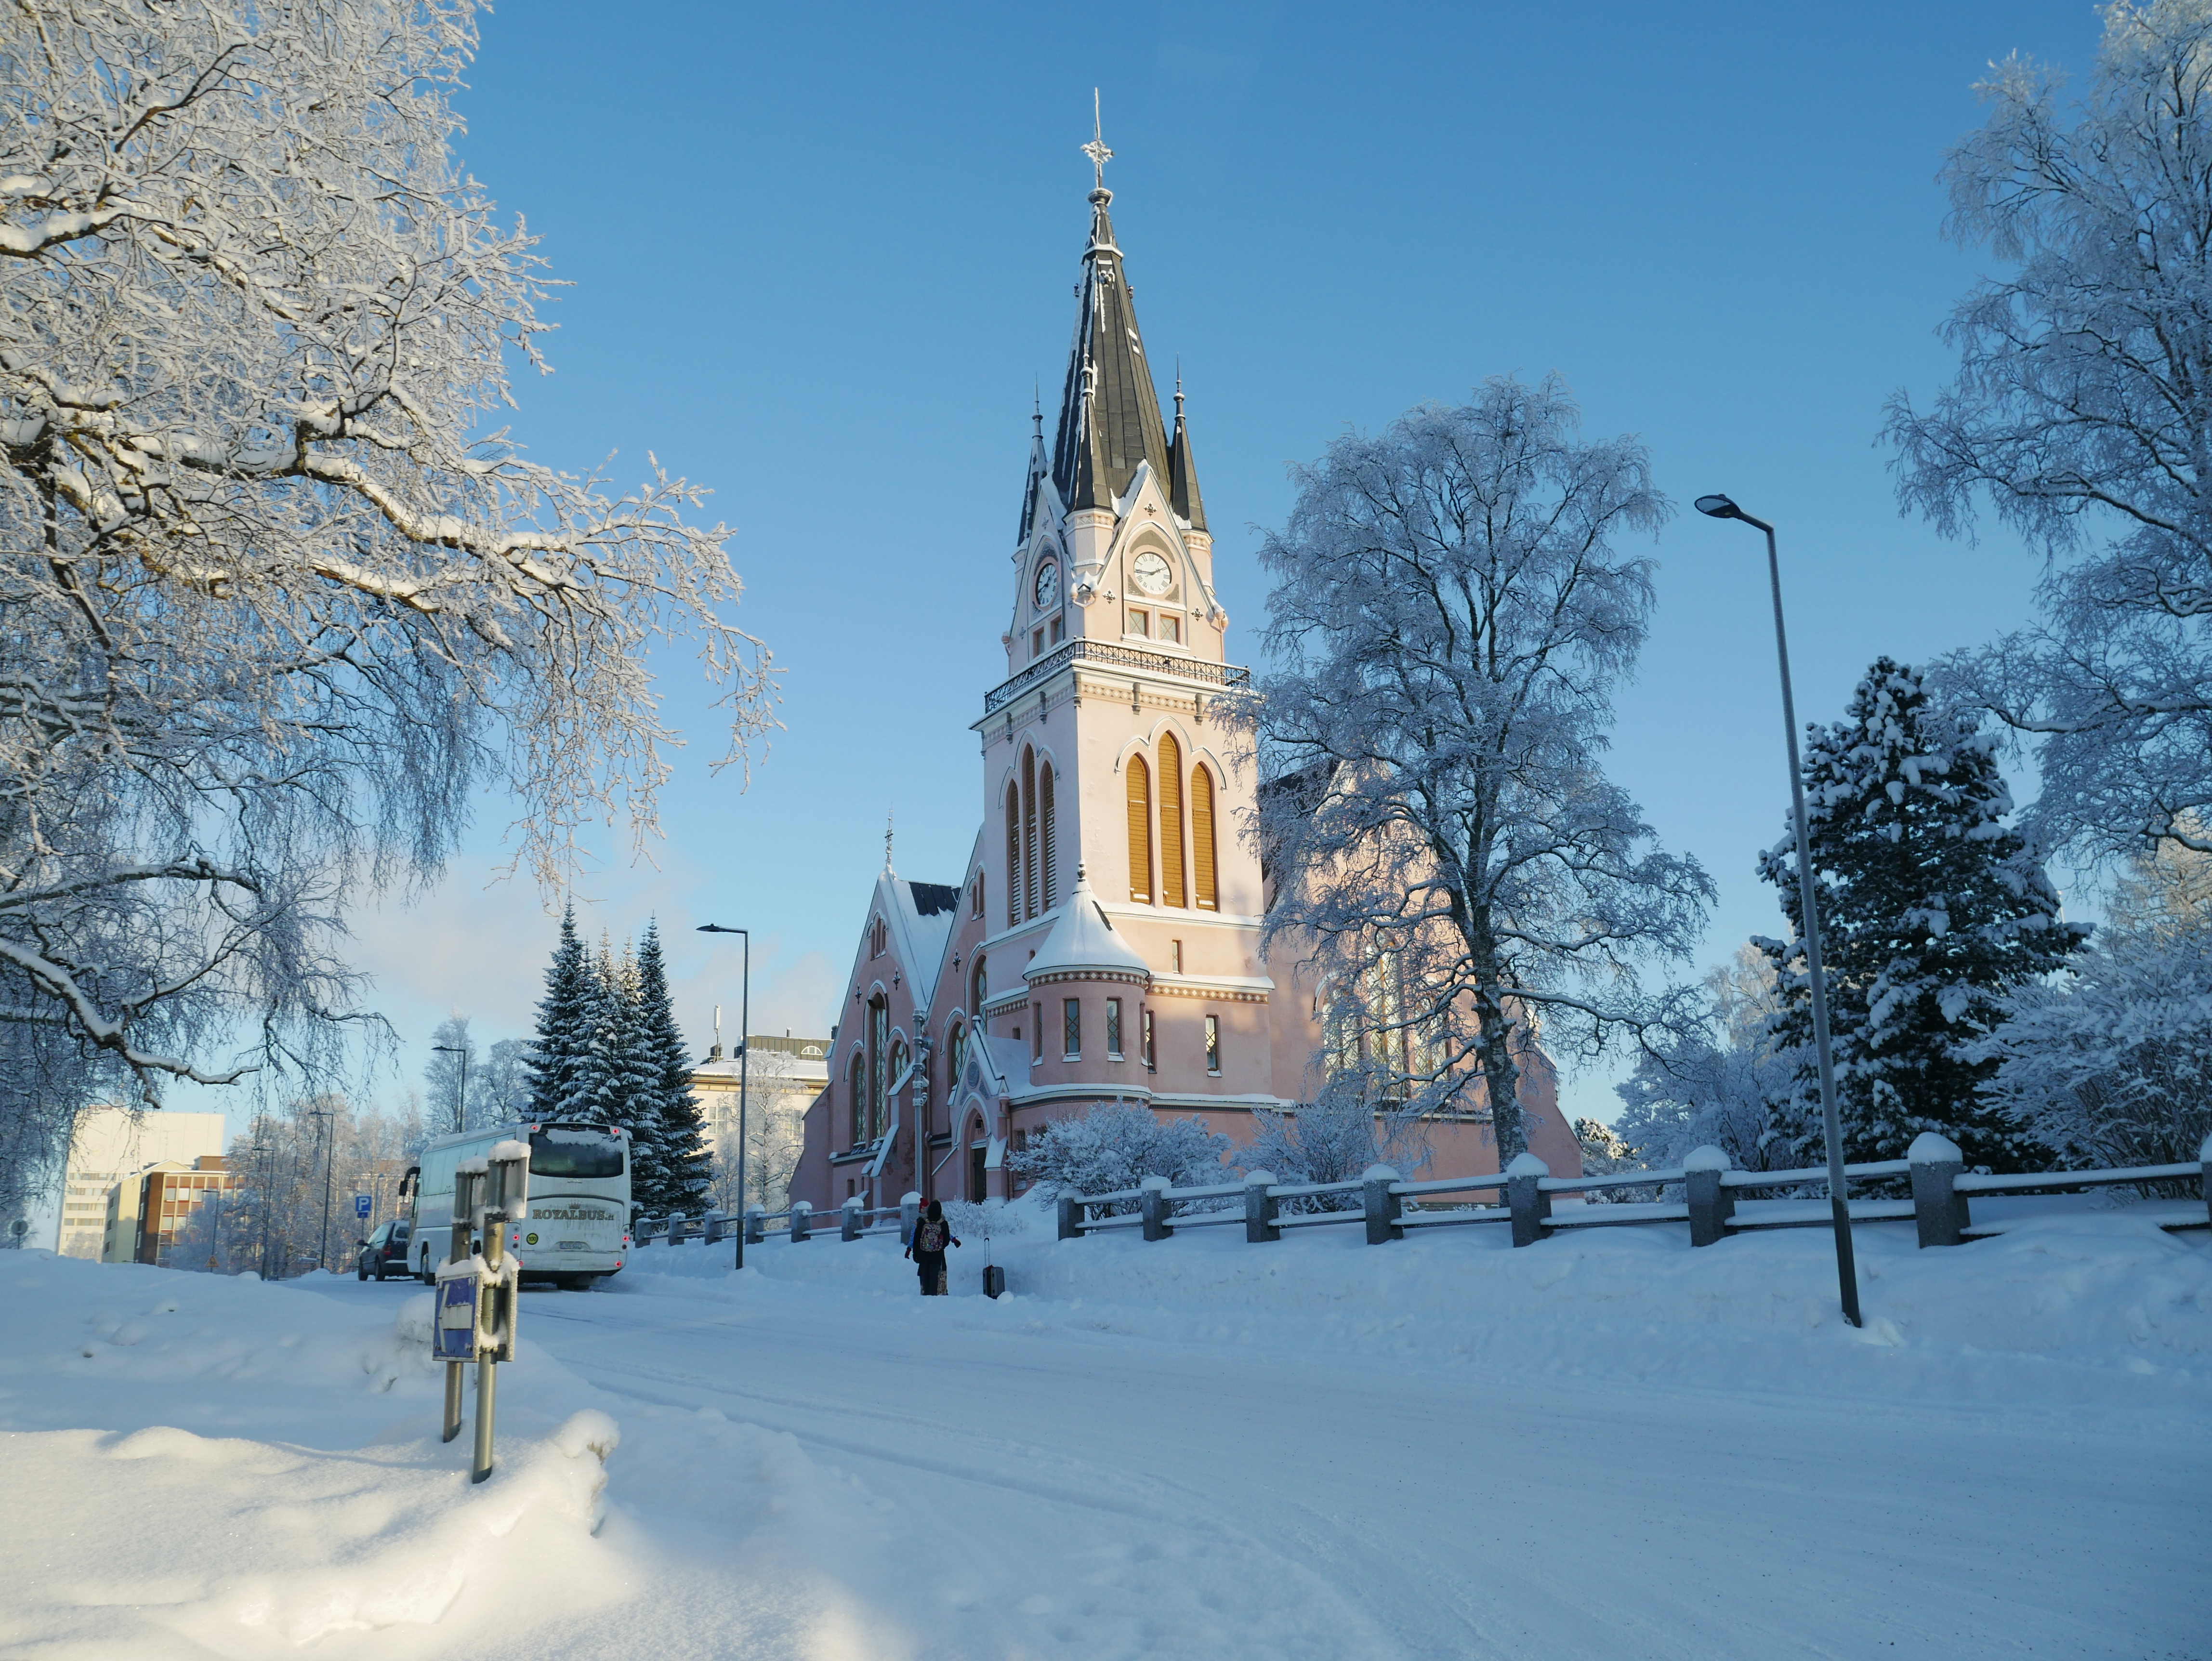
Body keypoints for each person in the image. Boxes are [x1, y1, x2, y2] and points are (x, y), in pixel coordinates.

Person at [905, 1199, 960, 1295]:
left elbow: (916, 1237)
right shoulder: (943, 1223)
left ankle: (925, 1295)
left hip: (923, 1255)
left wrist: (914, 1252)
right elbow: (946, 1239)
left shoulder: (922, 1222)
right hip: (937, 1256)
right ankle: (936, 1295)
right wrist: (940, 1245)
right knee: (936, 1275)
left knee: (925, 1275)